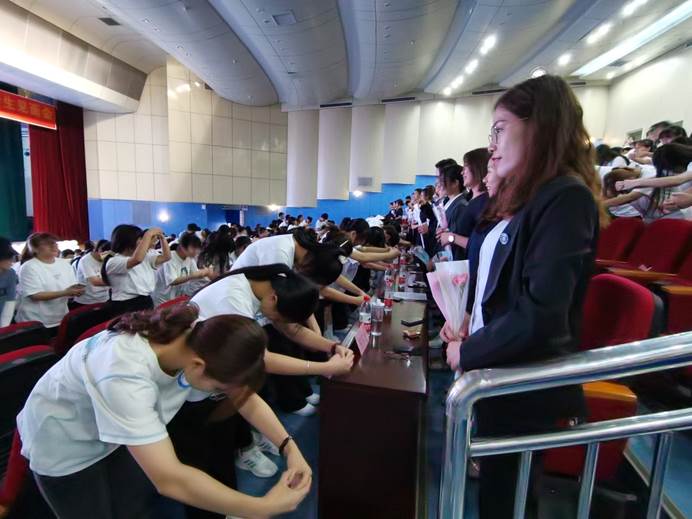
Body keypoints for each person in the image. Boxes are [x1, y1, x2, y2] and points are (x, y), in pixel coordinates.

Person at [441, 74, 603, 518]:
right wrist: (467, 322)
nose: (491, 147)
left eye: (500, 130)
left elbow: (541, 313)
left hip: (522, 383)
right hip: (499, 370)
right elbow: (499, 288)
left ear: (540, 127)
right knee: (497, 496)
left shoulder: (565, 198)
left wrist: (468, 351)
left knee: (507, 502)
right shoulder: (529, 198)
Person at [17, 304, 311, 518]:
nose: (222, 394)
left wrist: (289, 448)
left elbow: (244, 397)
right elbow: (169, 478)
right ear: (198, 366)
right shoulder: (125, 372)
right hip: (65, 441)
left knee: (133, 505)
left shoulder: (204, 339)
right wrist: (263, 507)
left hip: (115, 430)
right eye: (218, 388)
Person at [16, 233, 84, 332]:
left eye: (55, 243)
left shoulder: (64, 264)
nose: (53, 246)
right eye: (47, 244)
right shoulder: (29, 267)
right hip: (36, 321)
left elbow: (71, 288)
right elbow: (35, 295)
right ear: (35, 249)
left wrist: (76, 291)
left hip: (60, 317)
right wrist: (65, 292)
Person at [101, 225, 171, 315]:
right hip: (126, 304)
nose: (142, 242)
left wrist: (162, 238)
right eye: (140, 239)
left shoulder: (145, 257)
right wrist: (148, 234)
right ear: (128, 241)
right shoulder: (114, 261)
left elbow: (166, 257)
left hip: (145, 300)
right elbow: (137, 260)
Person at [153, 233, 212, 305]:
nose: (196, 251)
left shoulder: (189, 258)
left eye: (197, 248)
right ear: (182, 247)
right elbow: (173, 281)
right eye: (193, 248)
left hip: (176, 297)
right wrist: (194, 275)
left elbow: (195, 274)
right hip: (162, 298)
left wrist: (205, 272)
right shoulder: (170, 258)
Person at [72, 239, 111, 308]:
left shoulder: (107, 259)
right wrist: (117, 281)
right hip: (87, 300)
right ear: (99, 250)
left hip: (104, 298)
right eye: (106, 254)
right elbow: (95, 282)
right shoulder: (85, 260)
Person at [0, 237, 18, 327]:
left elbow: (10, 302)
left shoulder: (11, 273)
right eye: (8, 257)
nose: (12, 260)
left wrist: (3, 329)